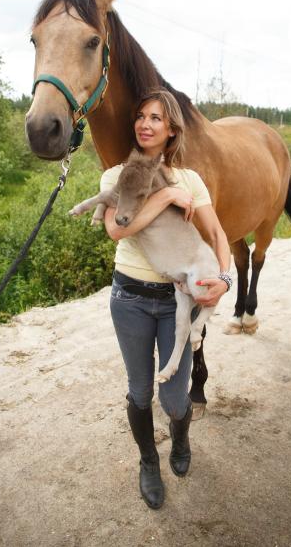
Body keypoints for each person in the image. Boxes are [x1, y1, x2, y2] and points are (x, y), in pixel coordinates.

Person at [99, 88, 232, 509]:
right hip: (131, 298)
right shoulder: (116, 175)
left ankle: (181, 439)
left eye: (157, 118)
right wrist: (165, 197)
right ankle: (148, 462)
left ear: (172, 130)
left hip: (177, 299)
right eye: (140, 116)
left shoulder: (190, 179)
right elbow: (118, 229)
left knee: (175, 400)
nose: (146, 124)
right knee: (139, 393)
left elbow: (217, 235)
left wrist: (225, 279)